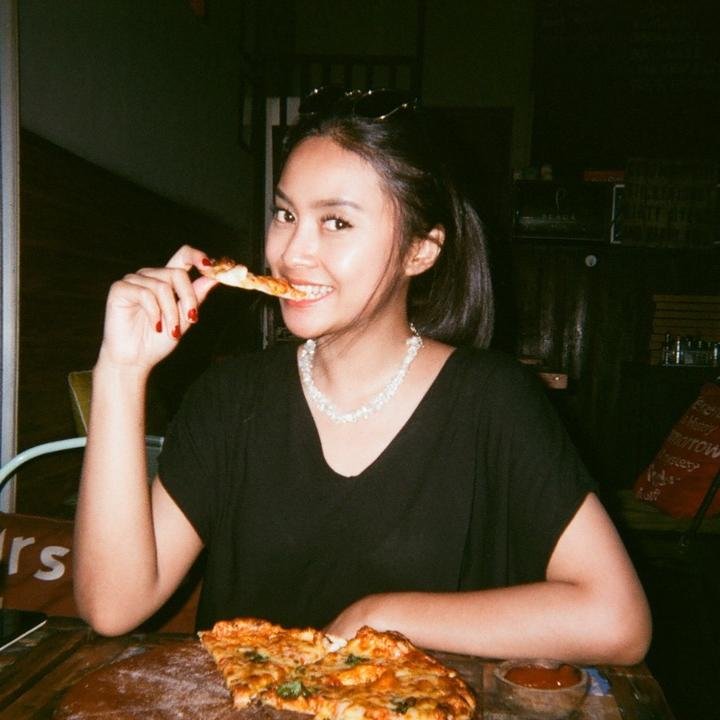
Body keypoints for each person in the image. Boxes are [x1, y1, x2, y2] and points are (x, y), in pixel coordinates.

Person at [74, 86, 651, 664]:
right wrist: (121, 370)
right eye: (286, 214)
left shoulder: (492, 401)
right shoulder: (230, 399)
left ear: (420, 252)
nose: (292, 252)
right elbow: (111, 607)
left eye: (336, 222)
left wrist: (379, 618)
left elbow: (617, 620)